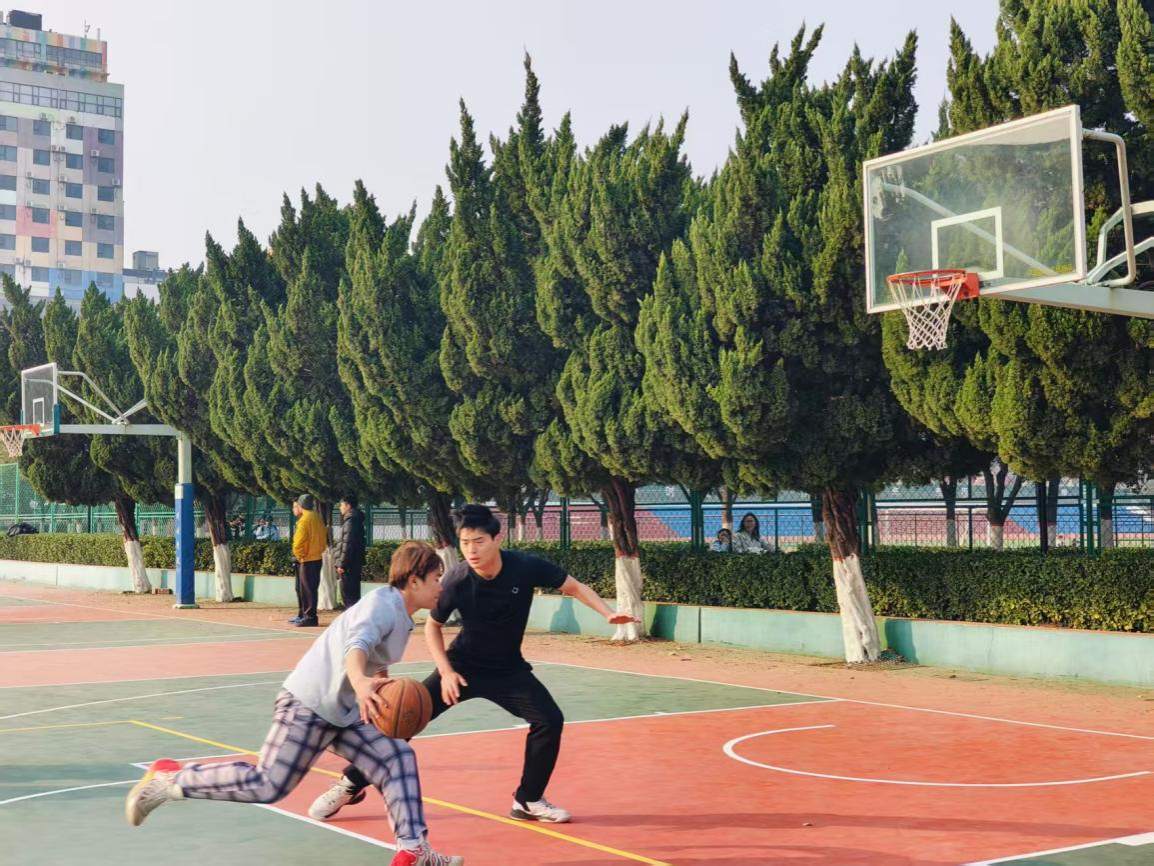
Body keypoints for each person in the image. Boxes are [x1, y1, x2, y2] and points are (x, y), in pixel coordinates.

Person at [124, 542, 464, 866]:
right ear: (414, 580)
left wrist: (379, 692)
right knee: (267, 784)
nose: (441, 587)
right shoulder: (382, 605)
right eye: (436, 579)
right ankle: (171, 779)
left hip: (341, 714)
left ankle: (413, 850)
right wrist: (361, 683)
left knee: (396, 757)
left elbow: (375, 658)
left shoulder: (402, 616)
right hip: (307, 704)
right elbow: (357, 646)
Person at [310, 503, 638, 825]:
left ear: (497, 538)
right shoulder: (456, 579)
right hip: (461, 668)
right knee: (403, 720)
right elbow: (433, 626)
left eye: (478, 541)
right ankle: (349, 784)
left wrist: (608, 613)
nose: (471, 550)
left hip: (508, 670)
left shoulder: (525, 566)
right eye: (465, 543)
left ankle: (528, 800)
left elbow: (574, 586)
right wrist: (446, 672)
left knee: (550, 720)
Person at [291, 494, 326, 627]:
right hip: (317, 558)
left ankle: (309, 617)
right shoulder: (317, 517)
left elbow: (298, 542)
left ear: (300, 506)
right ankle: (310, 616)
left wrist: (299, 555)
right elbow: (323, 537)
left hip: (307, 559)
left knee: (306, 590)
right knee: (312, 589)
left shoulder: (304, 520)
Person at [334, 494, 367, 609]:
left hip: (349, 566)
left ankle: (352, 618)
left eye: (341, 505)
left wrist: (342, 564)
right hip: (353, 564)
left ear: (348, 506)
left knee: (349, 597)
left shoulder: (351, 522)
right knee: (352, 596)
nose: (340, 507)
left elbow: (347, 545)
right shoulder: (353, 520)